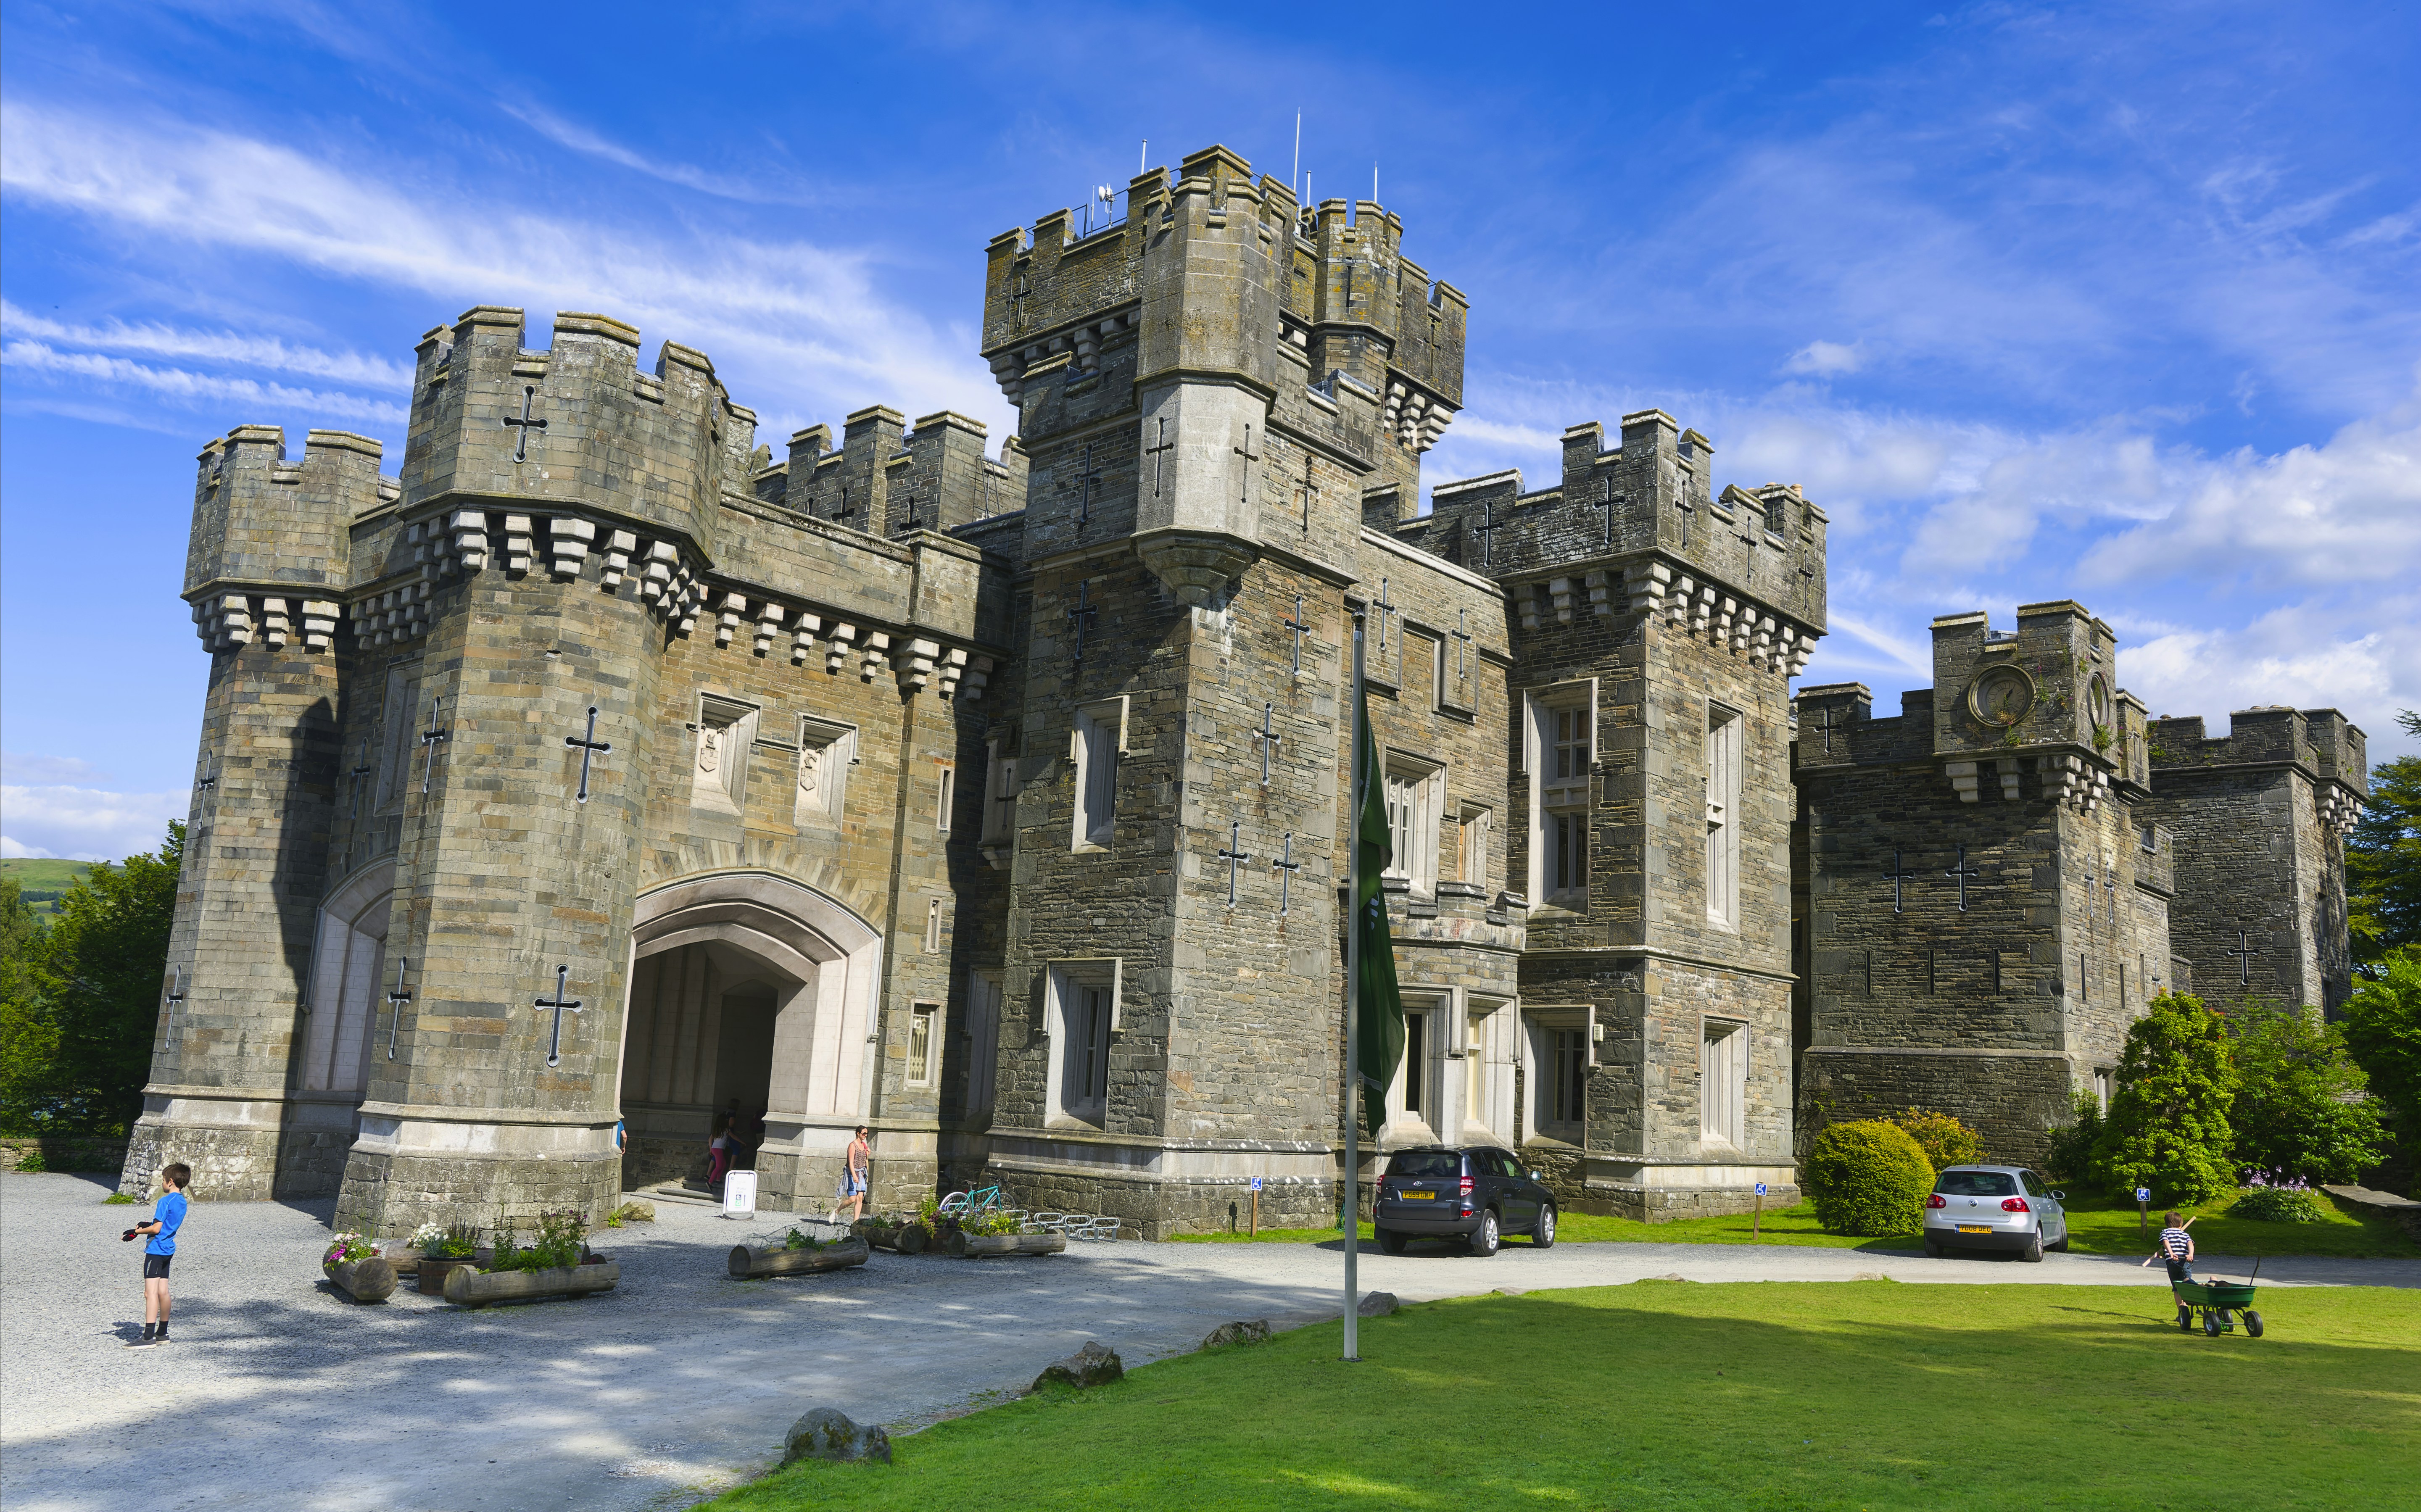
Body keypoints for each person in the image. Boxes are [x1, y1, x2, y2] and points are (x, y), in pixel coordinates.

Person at [125, 1162, 191, 1348]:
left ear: (170, 1182)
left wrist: (137, 1232)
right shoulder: (182, 1202)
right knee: (164, 1292)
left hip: (156, 1251)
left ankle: (148, 1337)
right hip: (169, 1249)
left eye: (163, 1180)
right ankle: (162, 1333)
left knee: (150, 1293)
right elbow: (168, 1225)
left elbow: (157, 1228)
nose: (162, 1183)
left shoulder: (165, 1201)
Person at [2141, 1209, 2195, 1283]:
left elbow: (2165, 1242)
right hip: (2185, 1261)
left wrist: (2171, 1253)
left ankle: (2177, 1293)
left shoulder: (2165, 1232)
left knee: (2176, 1285)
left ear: (2167, 1224)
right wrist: (2190, 1255)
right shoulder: (2185, 1234)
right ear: (2180, 1225)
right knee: (2187, 1284)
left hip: (2172, 1261)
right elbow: (2190, 1244)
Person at [831, 1126, 871, 1222]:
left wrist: (867, 1155)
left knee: (860, 1198)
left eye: (867, 1134)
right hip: (853, 1173)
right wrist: (854, 1175)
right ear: (858, 1133)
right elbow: (851, 1162)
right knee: (852, 1199)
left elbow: (865, 1161)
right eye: (863, 1133)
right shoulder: (853, 1145)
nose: (865, 1135)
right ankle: (837, 1211)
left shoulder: (864, 1145)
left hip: (862, 1174)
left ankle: (855, 1222)